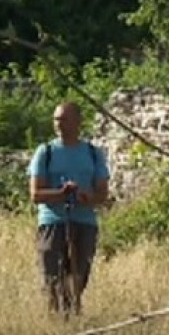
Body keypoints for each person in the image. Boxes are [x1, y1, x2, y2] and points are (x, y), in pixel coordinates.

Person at [27, 101, 111, 315]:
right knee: (52, 278)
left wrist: (85, 196)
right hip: (52, 223)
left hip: (84, 223)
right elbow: (35, 194)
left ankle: (73, 319)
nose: (58, 124)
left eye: (63, 119)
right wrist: (61, 193)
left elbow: (102, 194)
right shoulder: (45, 152)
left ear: (78, 121)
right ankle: (56, 322)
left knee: (78, 278)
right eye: (56, 119)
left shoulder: (93, 153)